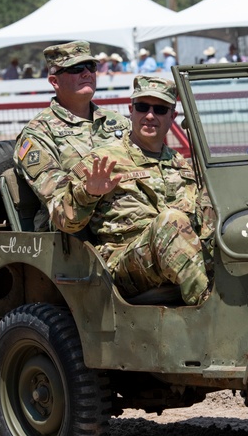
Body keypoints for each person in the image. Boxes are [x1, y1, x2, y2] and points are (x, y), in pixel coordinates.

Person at [48, 75, 211, 306]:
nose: (150, 116)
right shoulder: (103, 161)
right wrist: (88, 193)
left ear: (172, 117)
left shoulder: (182, 165)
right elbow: (62, 221)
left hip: (179, 255)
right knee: (171, 220)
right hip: (124, 265)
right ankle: (208, 308)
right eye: (142, 107)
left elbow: (206, 222)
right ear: (130, 111)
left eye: (161, 110)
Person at [14, 41, 130, 214]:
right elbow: (58, 198)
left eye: (90, 67)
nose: (86, 74)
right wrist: (89, 190)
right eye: (76, 69)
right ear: (54, 81)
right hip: (83, 229)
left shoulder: (117, 121)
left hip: (134, 213)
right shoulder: (38, 133)